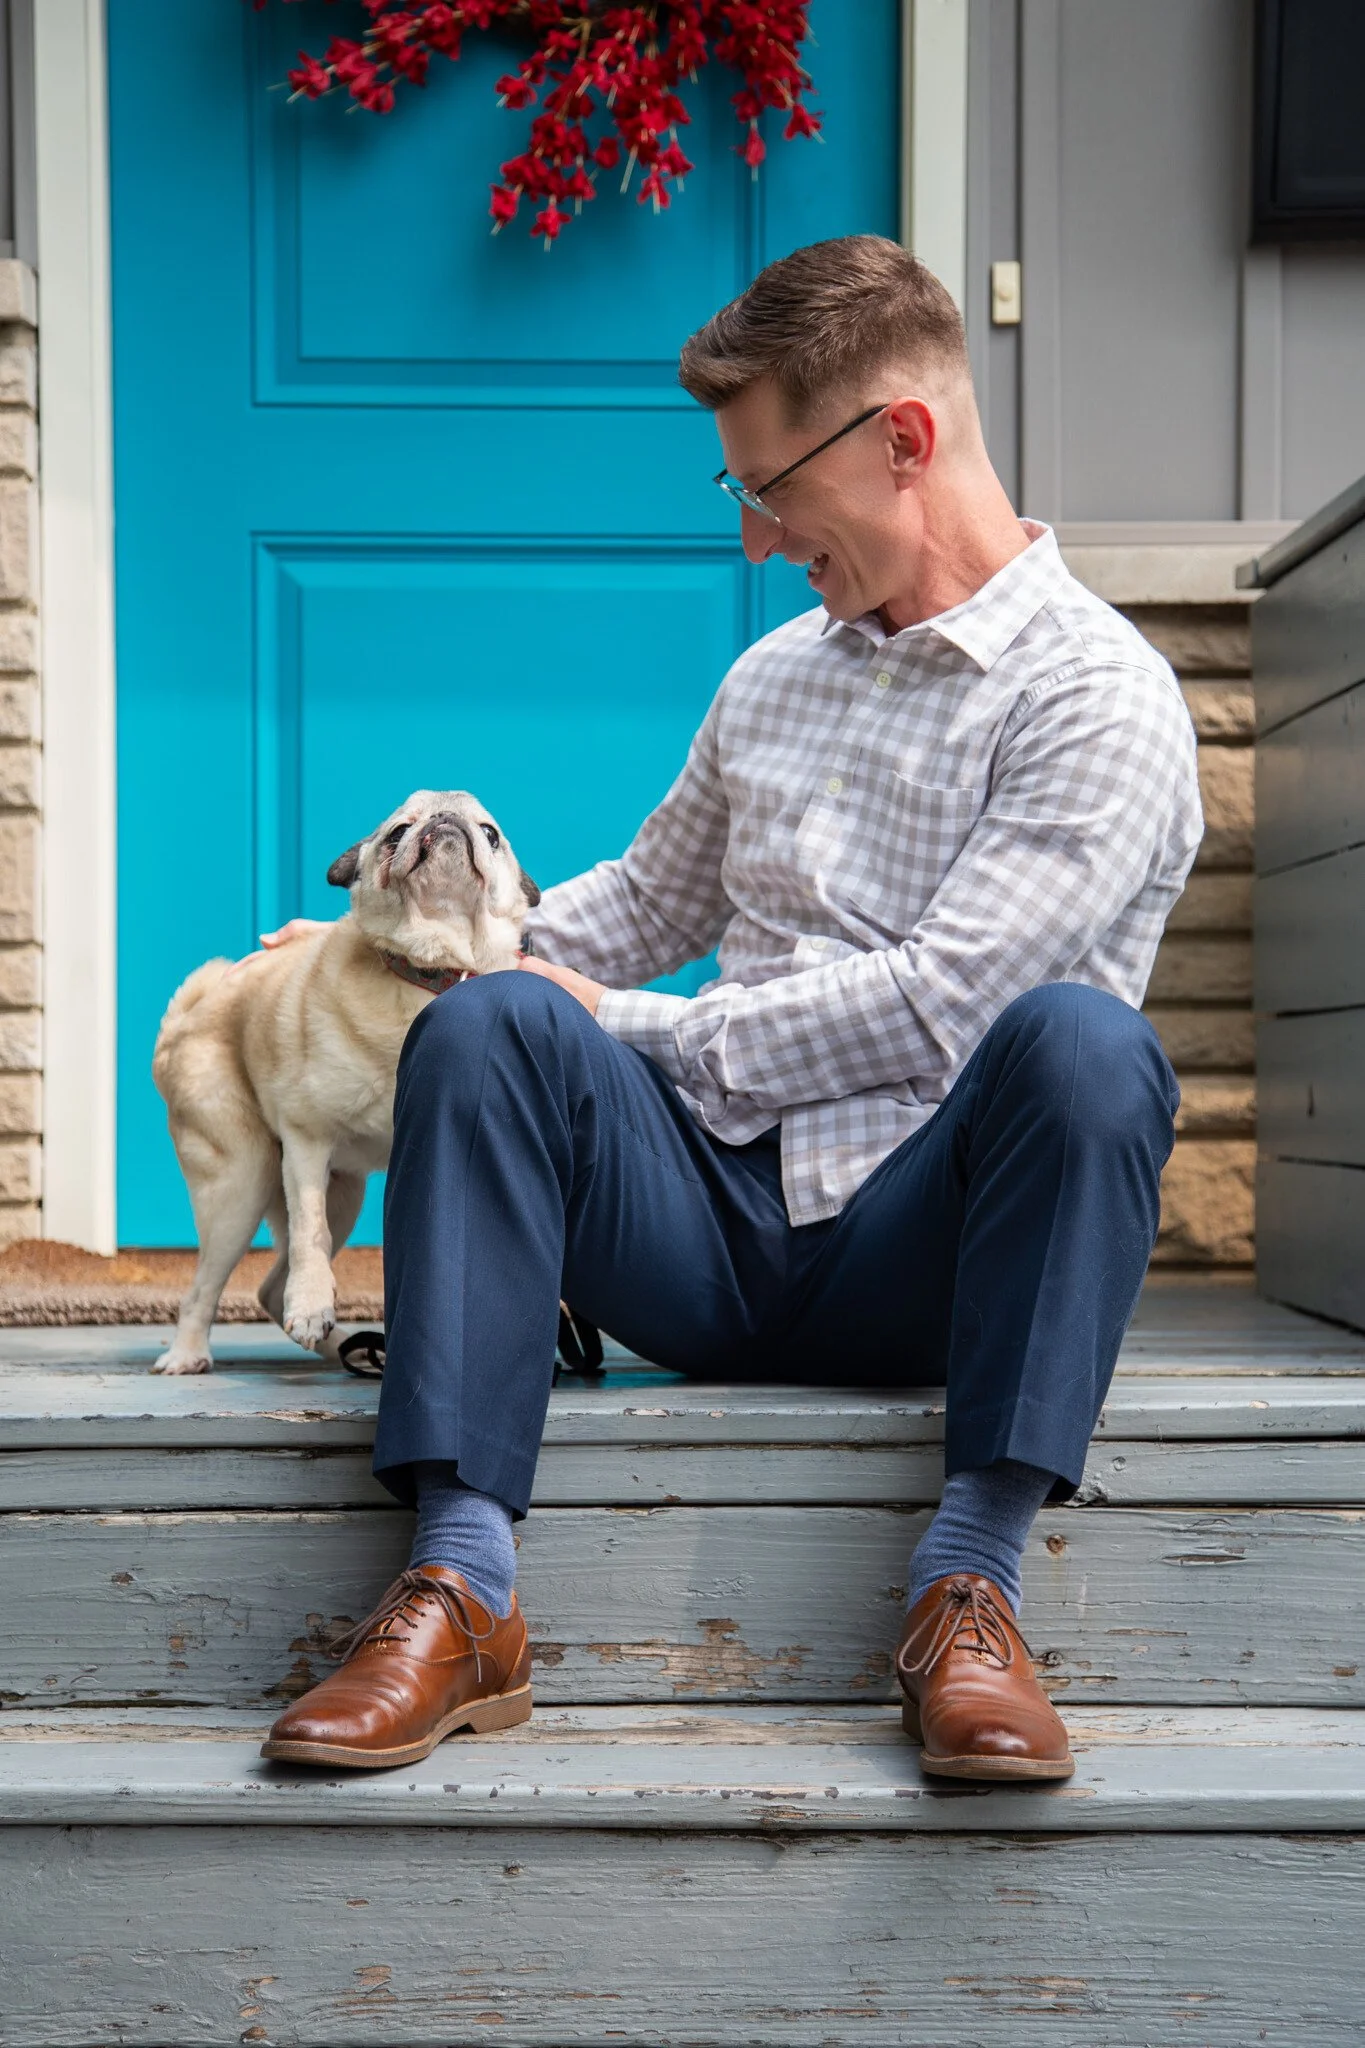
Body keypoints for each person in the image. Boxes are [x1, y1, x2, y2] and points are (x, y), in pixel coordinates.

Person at [259, 235, 1201, 1783]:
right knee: (493, 1024)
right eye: (738, 497)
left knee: (1087, 1047)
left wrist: (630, 1023)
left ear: (900, 439)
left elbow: (941, 1007)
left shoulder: (1099, 698)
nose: (758, 539)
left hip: (925, 1255)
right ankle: (463, 1592)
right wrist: (392, 944)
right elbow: (639, 905)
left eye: (770, 490)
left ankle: (973, 1585)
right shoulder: (774, 676)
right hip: (699, 1233)